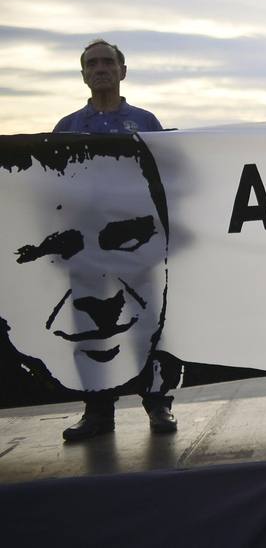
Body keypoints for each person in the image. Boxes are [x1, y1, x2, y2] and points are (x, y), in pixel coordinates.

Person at [50, 39, 177, 440]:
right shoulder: (67, 128)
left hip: (134, 247)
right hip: (85, 250)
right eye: (93, 63)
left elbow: (165, 179)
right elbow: (51, 189)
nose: (101, 68)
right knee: (90, 328)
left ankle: (158, 406)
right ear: (84, 74)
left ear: (123, 71)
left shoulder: (144, 122)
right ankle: (98, 413)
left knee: (148, 327)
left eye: (108, 62)